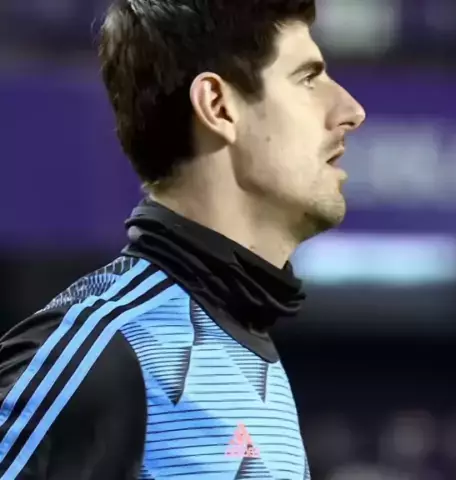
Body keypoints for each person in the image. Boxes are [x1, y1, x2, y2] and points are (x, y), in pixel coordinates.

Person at [0, 0, 365, 477]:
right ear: (218, 106)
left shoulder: (247, 349)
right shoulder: (104, 346)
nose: (350, 111)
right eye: (307, 78)